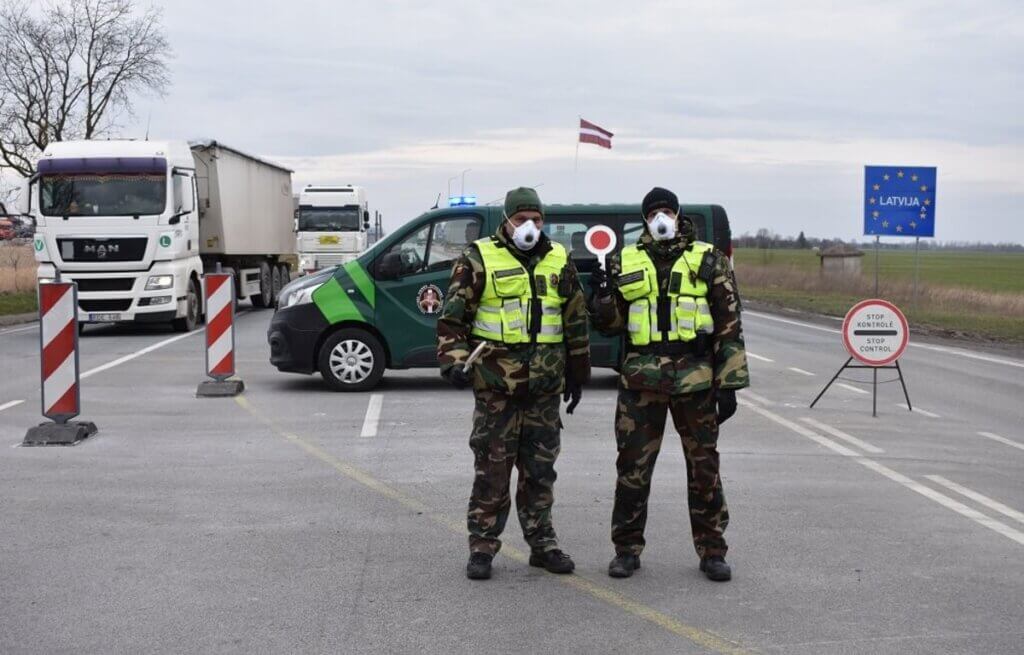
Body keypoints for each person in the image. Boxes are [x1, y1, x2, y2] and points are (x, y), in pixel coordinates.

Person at [589, 187, 749, 582]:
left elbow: (729, 324)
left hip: (696, 379)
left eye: (666, 211)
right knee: (632, 469)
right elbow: (610, 326)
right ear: (645, 219)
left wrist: (729, 382)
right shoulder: (623, 260)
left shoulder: (708, 259)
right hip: (641, 380)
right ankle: (626, 549)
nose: (661, 218)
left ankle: (713, 550)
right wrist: (603, 296)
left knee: (704, 469)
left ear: (678, 215)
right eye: (654, 212)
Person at [437, 187, 590, 580]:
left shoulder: (559, 258)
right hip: (496, 388)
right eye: (522, 220)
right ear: (506, 221)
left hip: (544, 388)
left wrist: (578, 370)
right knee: (492, 470)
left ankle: (543, 544)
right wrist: (454, 361)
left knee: (540, 471)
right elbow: (453, 319)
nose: (530, 227)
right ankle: (482, 547)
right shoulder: (478, 257)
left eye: (537, 220)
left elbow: (574, 318)